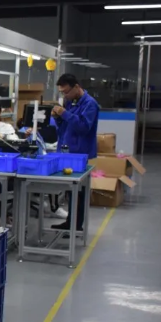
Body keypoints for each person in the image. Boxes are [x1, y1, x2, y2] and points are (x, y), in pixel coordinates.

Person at [49, 73, 99, 231]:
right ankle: (70, 222)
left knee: (79, 190)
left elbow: (83, 127)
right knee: (70, 190)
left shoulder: (90, 104)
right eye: (62, 93)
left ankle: (76, 225)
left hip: (79, 153)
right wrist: (58, 118)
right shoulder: (70, 101)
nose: (65, 95)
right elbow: (64, 127)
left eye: (66, 92)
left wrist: (64, 113)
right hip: (67, 151)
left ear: (76, 87)